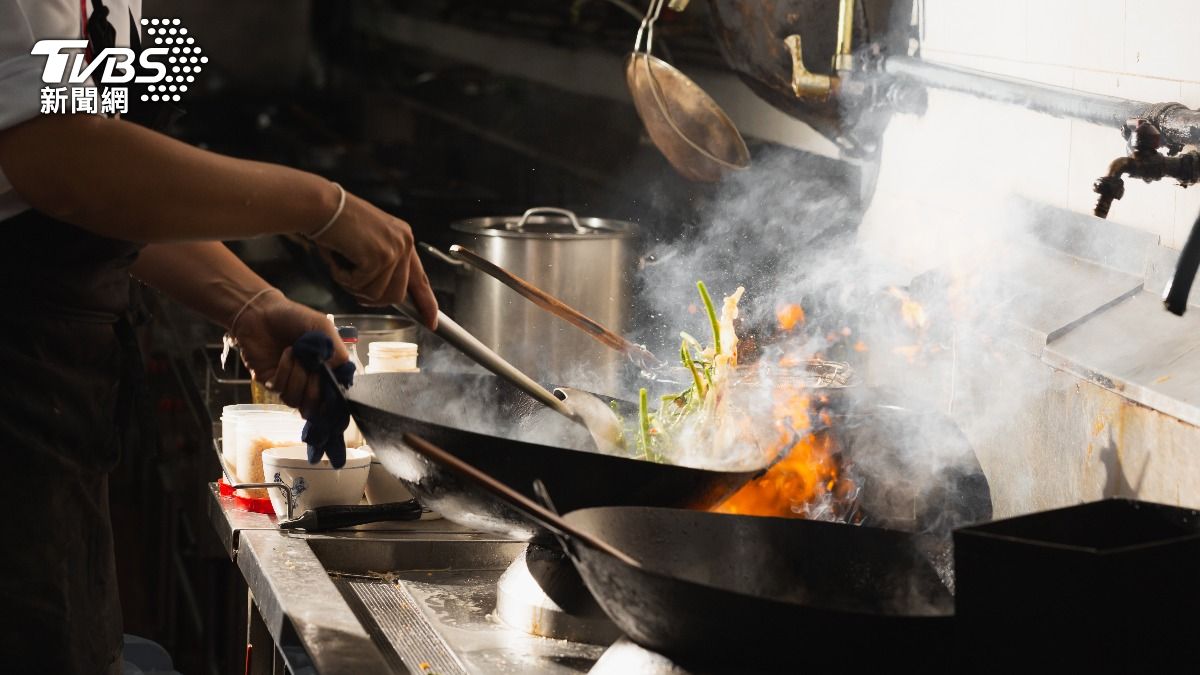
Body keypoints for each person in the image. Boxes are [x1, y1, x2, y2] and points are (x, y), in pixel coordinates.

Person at [0, 1, 438, 671]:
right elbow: (57, 159)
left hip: (57, 419)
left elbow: (102, 194)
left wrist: (252, 303)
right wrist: (321, 207)